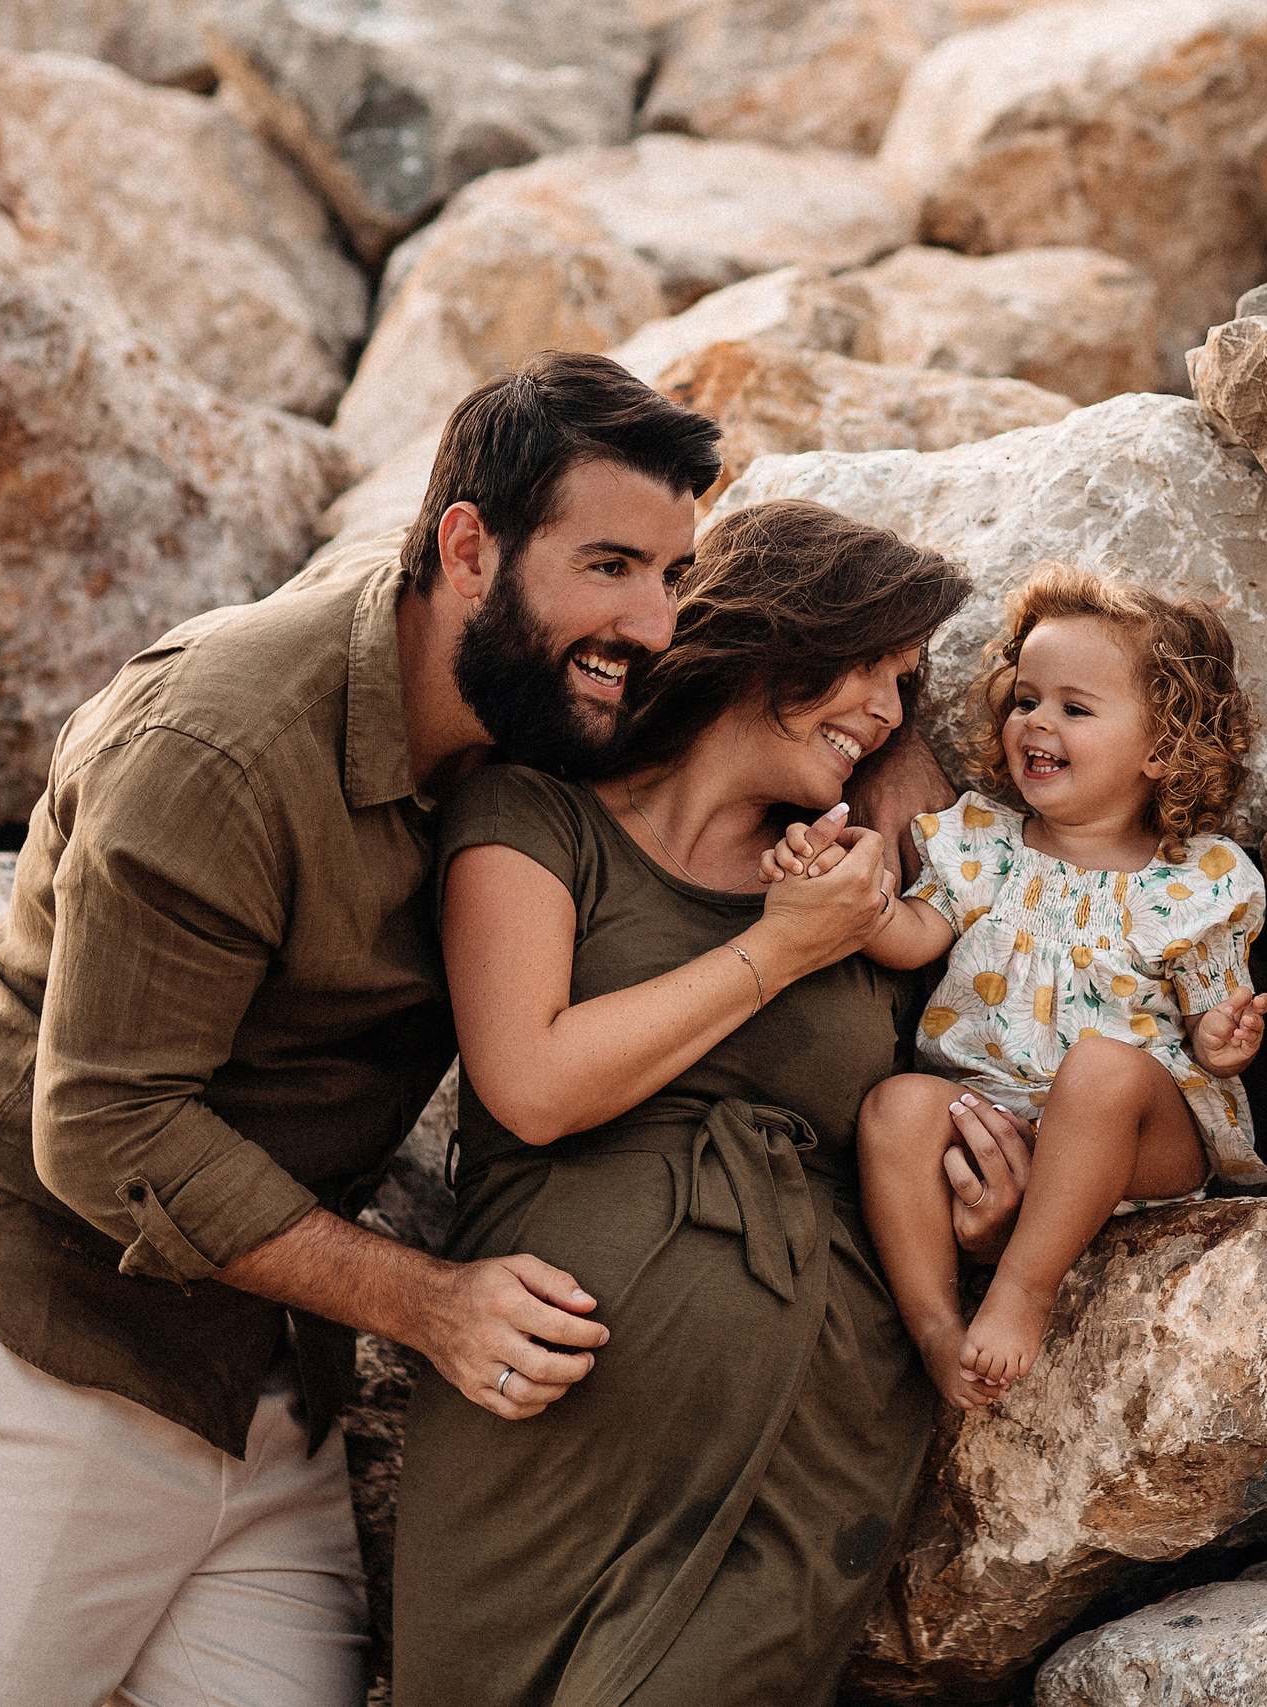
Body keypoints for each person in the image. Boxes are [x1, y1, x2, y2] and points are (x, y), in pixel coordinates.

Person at [0, 353, 942, 1707]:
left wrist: (894, 824)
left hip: (249, 1373)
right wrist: (429, 1304)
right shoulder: (216, 744)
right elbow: (109, 1129)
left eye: (671, 576)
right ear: (468, 549)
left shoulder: (534, 706)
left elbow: (776, 716)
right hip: (26, 1342)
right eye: (609, 567)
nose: (652, 623)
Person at [394, 499, 971, 1705]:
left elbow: (959, 1091)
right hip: (545, 1436)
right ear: (771, 633)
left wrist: (984, 1170)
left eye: (905, 683)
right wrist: (781, 949)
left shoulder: (858, 887)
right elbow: (533, 1085)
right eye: (867, 664)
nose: (883, 708)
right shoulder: (534, 814)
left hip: (807, 1432)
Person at [773, 563, 1267, 1409]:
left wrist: (1225, 1040)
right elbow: (912, 938)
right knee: (896, 1107)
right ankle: (937, 1328)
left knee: (1102, 1066)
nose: (1037, 721)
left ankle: (1024, 1286)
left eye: (1075, 708)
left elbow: (1209, 1024)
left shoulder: (1195, 880)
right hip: (994, 1111)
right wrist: (850, 895)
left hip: (1136, 1138)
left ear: (1161, 749)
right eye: (1026, 699)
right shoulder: (984, 844)